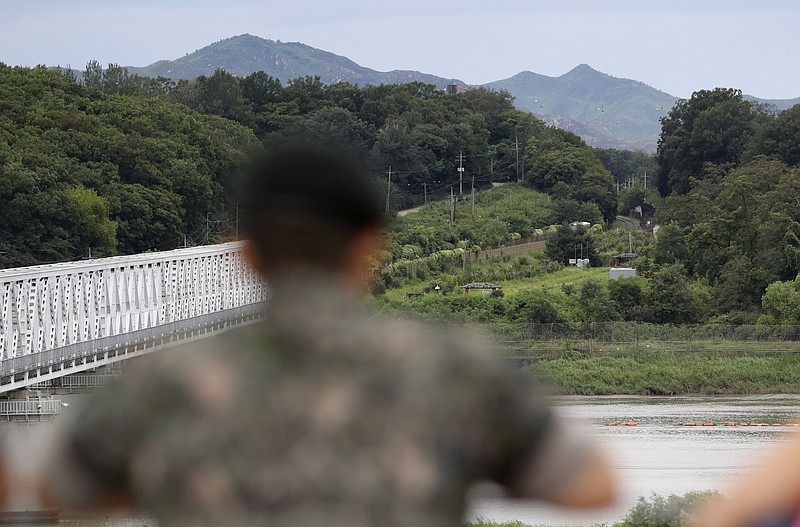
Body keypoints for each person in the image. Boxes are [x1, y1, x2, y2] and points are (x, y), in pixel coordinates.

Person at [44, 145, 615, 526]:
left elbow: (59, 490)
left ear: (245, 255)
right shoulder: (451, 368)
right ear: (370, 247)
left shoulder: (163, 377)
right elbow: (592, 488)